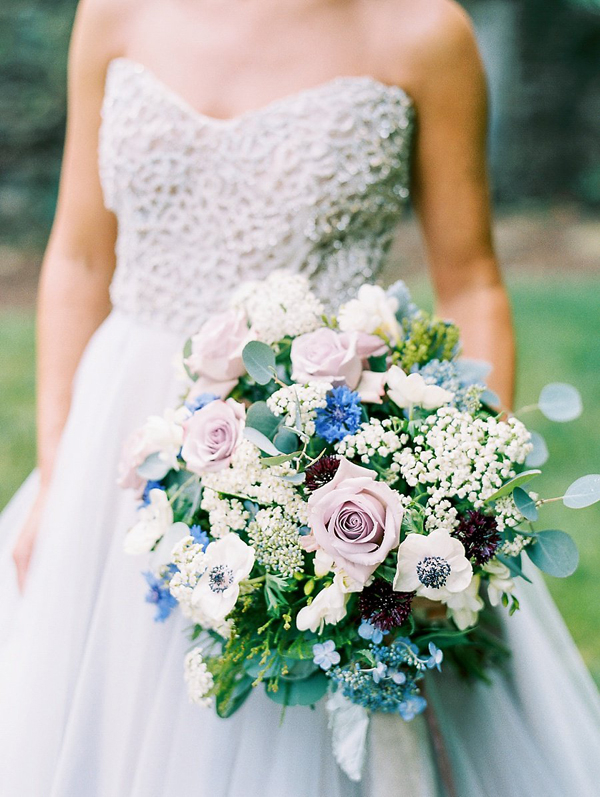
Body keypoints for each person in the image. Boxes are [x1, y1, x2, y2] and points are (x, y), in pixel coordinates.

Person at [0, 0, 599, 794]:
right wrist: (60, 472)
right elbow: (79, 259)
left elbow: (471, 282)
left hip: (321, 454)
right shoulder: (115, 11)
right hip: (121, 447)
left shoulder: (425, 31)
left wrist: (456, 504)